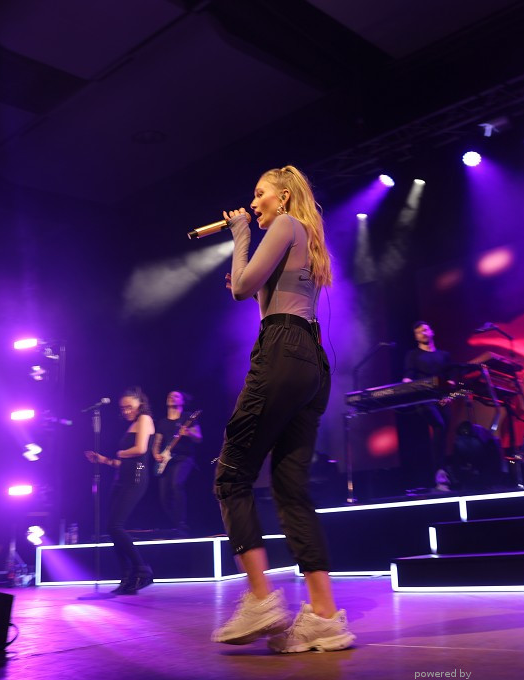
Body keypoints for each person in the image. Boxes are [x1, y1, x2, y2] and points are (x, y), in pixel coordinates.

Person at [211, 165, 355, 653]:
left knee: (231, 477)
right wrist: (249, 259)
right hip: (310, 360)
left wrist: (240, 236)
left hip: (283, 351)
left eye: (259, 195)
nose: (253, 204)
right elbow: (263, 302)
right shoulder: (303, 237)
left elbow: (240, 289)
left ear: (285, 196)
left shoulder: (285, 226)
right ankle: (323, 616)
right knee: (291, 489)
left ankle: (260, 598)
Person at [84, 387, 156, 594]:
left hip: (136, 477)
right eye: (122, 408)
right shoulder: (133, 424)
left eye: (129, 407)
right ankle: (127, 577)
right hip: (123, 477)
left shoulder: (145, 419)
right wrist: (104, 460)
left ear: (140, 404)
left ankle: (142, 570)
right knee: (111, 527)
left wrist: (120, 452)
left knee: (116, 525)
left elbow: (141, 450)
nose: (125, 411)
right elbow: (122, 462)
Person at [402, 321, 452, 491]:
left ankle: (442, 472)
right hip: (424, 398)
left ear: (431, 332)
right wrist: (406, 384)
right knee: (439, 425)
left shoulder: (444, 355)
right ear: (415, 337)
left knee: (442, 433)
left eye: (424, 330)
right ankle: (440, 472)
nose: (422, 333)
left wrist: (451, 394)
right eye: (418, 332)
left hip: (443, 399)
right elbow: (409, 375)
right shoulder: (413, 355)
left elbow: (452, 378)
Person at [152, 390, 202, 537]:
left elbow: (199, 437)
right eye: (169, 395)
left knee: (176, 484)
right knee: (164, 497)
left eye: (176, 396)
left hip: (184, 458)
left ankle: (182, 525)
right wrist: (156, 454)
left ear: (182, 401)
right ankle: (176, 525)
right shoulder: (162, 422)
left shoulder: (188, 417)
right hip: (166, 461)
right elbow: (157, 442)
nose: (171, 397)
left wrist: (189, 433)